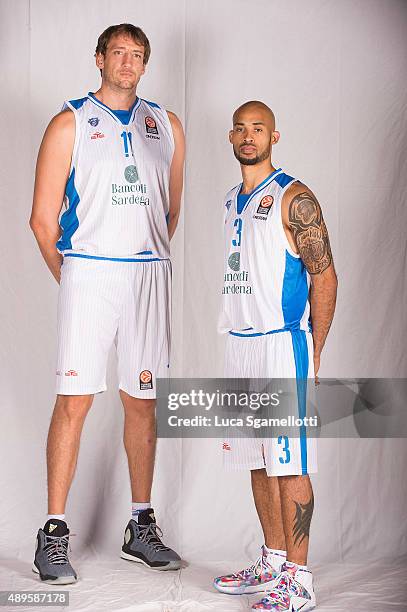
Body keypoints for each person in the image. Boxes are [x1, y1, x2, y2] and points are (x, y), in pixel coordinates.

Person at [29, 23, 185, 584]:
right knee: (74, 400)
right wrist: (72, 277)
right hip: (89, 273)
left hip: (148, 275)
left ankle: (140, 525)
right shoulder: (69, 121)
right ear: (99, 58)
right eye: (118, 52)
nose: (127, 62)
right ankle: (53, 531)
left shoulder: (165, 125)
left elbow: (169, 209)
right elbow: (42, 220)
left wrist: (143, 255)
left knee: (143, 401)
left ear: (145, 65)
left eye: (137, 55)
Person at [213, 101, 337, 611]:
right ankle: (272, 559)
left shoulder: (295, 198)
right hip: (238, 345)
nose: (248, 136)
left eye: (258, 128)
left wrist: (314, 348)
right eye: (241, 128)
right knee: (258, 463)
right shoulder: (229, 201)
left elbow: (325, 277)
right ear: (231, 137)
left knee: (290, 465)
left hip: (281, 345)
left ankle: (300, 579)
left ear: (274, 136)